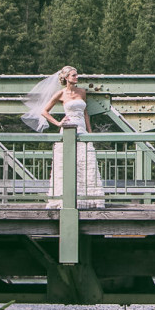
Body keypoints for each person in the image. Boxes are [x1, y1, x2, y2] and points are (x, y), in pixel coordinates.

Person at [26, 66, 105, 210]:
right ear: (67, 77)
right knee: (65, 164)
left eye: (77, 75)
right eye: (74, 75)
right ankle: (62, 200)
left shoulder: (82, 92)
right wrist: (58, 123)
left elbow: (85, 112)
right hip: (68, 129)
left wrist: (90, 131)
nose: (77, 77)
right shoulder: (60, 94)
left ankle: (89, 200)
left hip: (81, 129)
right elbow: (44, 111)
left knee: (86, 162)